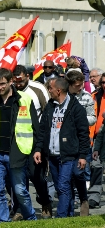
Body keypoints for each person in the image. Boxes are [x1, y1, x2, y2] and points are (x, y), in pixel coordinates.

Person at [0, 68, 38, 222]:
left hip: (17, 151)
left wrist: (37, 149)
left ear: (11, 81)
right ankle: (2, 221)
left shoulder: (25, 99)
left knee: (19, 191)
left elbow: (36, 128)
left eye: (3, 84)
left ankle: (31, 218)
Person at [33, 77, 90, 218]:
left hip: (69, 155)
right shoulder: (50, 106)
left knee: (64, 185)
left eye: (51, 89)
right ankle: (69, 214)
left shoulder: (75, 108)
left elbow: (83, 134)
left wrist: (82, 156)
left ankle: (61, 217)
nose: (49, 91)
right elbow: (43, 130)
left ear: (58, 91)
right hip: (52, 155)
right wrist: (39, 149)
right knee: (62, 187)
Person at [12, 64, 54, 219]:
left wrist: (43, 139)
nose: (18, 85)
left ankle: (45, 202)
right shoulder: (11, 90)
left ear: (27, 77)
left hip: (36, 138)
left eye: (21, 81)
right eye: (15, 82)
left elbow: (48, 111)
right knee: (17, 177)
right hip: (17, 140)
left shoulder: (38, 89)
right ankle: (19, 209)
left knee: (37, 176)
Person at [65, 70, 96, 216]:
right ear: (69, 85)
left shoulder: (87, 97)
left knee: (79, 173)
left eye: (81, 84)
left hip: (82, 140)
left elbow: (93, 118)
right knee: (67, 175)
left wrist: (80, 121)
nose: (80, 87)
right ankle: (70, 204)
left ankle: (83, 199)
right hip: (65, 142)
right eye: (77, 85)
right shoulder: (63, 97)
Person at [88, 70, 105, 208]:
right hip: (98, 137)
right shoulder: (95, 96)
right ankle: (94, 196)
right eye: (103, 82)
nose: (104, 85)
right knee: (95, 166)